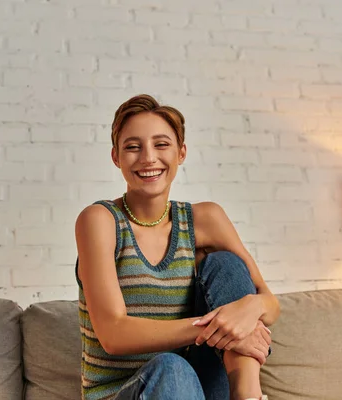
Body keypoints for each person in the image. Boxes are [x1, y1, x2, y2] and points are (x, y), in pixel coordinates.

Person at [75, 94, 280, 400]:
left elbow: (270, 303)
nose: (148, 158)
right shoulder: (100, 221)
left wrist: (251, 307)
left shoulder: (205, 219)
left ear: (181, 152)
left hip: (195, 390)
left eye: (161, 144)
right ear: (116, 157)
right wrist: (219, 327)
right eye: (133, 146)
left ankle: (248, 396)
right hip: (123, 392)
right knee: (173, 367)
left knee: (226, 264)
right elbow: (113, 334)